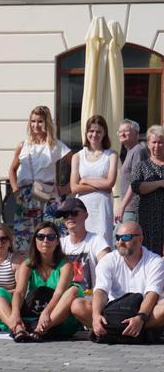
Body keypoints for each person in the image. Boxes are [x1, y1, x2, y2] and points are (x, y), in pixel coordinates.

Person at [0, 221, 82, 342]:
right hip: (33, 314)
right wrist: (15, 313)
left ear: (57, 241)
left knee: (74, 290)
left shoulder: (65, 265)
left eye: (51, 237)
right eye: (41, 237)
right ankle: (17, 328)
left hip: (58, 318)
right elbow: (20, 292)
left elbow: (59, 294)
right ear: (35, 240)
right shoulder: (27, 264)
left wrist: (46, 313)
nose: (45, 241)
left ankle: (41, 329)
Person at [71, 221, 164, 341]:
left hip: (144, 312)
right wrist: (96, 315)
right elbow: (101, 290)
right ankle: (138, 333)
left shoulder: (155, 261)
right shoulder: (108, 260)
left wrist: (140, 317)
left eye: (126, 237)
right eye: (118, 238)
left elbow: (152, 294)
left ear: (140, 239)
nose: (120, 242)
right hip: (113, 312)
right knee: (77, 305)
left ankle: (114, 332)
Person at [8, 105, 71, 253]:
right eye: (33, 121)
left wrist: (66, 187)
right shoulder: (23, 145)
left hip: (48, 194)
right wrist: (15, 190)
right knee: (25, 239)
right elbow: (12, 169)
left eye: (40, 121)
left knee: (53, 235)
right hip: (25, 195)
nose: (36, 125)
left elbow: (76, 162)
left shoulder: (56, 146)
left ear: (47, 122)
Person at [70, 115, 118, 243]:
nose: (94, 134)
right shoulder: (77, 156)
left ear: (104, 133)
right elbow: (74, 187)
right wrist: (102, 186)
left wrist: (85, 181)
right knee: (82, 241)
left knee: (103, 241)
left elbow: (110, 183)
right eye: (91, 131)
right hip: (83, 206)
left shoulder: (111, 155)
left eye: (98, 131)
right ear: (86, 133)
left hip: (102, 207)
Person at [55, 198, 110, 293]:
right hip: (63, 299)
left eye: (74, 213)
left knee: (76, 302)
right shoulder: (60, 244)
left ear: (86, 215)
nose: (69, 217)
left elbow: (109, 268)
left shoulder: (97, 240)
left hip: (90, 299)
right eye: (65, 215)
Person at [130, 125, 164, 255]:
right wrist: (160, 183)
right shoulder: (141, 166)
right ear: (148, 144)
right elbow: (137, 187)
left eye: (160, 142)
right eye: (154, 142)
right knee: (149, 253)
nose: (157, 145)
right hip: (148, 218)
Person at [115, 119, 148, 224]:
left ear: (137, 134)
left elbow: (135, 181)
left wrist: (122, 207)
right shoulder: (130, 151)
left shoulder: (138, 150)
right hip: (129, 207)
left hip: (133, 208)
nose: (122, 133)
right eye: (120, 131)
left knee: (124, 238)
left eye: (126, 131)